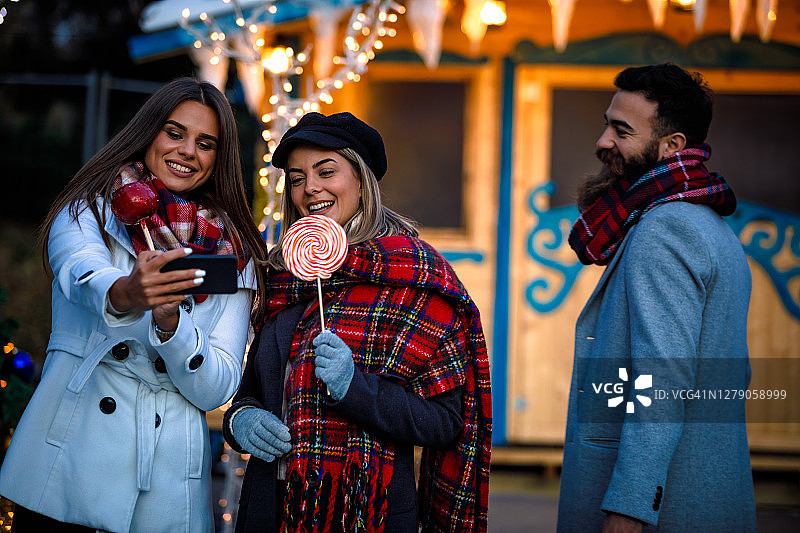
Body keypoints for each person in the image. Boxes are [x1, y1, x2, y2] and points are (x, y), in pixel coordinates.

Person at [0, 77, 268, 532]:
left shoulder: (234, 252)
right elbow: (80, 273)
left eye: (206, 143)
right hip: (71, 458)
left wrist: (172, 328)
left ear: (218, 159)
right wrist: (128, 292)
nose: (188, 151)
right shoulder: (88, 210)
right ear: (148, 133)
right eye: (174, 132)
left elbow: (218, 386)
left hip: (165, 485)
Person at [221, 111, 492, 533]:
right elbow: (251, 391)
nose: (310, 188)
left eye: (326, 171)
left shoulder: (417, 280)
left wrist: (355, 387)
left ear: (361, 180)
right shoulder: (283, 276)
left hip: (371, 512)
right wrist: (241, 420)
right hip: (270, 508)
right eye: (296, 178)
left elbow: (445, 422)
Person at [557, 63, 756, 532]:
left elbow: (662, 380)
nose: (604, 141)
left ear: (672, 146)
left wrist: (629, 506)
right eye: (607, 123)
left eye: (622, 130)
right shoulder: (709, 223)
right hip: (704, 488)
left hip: (664, 508)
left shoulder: (664, 230)